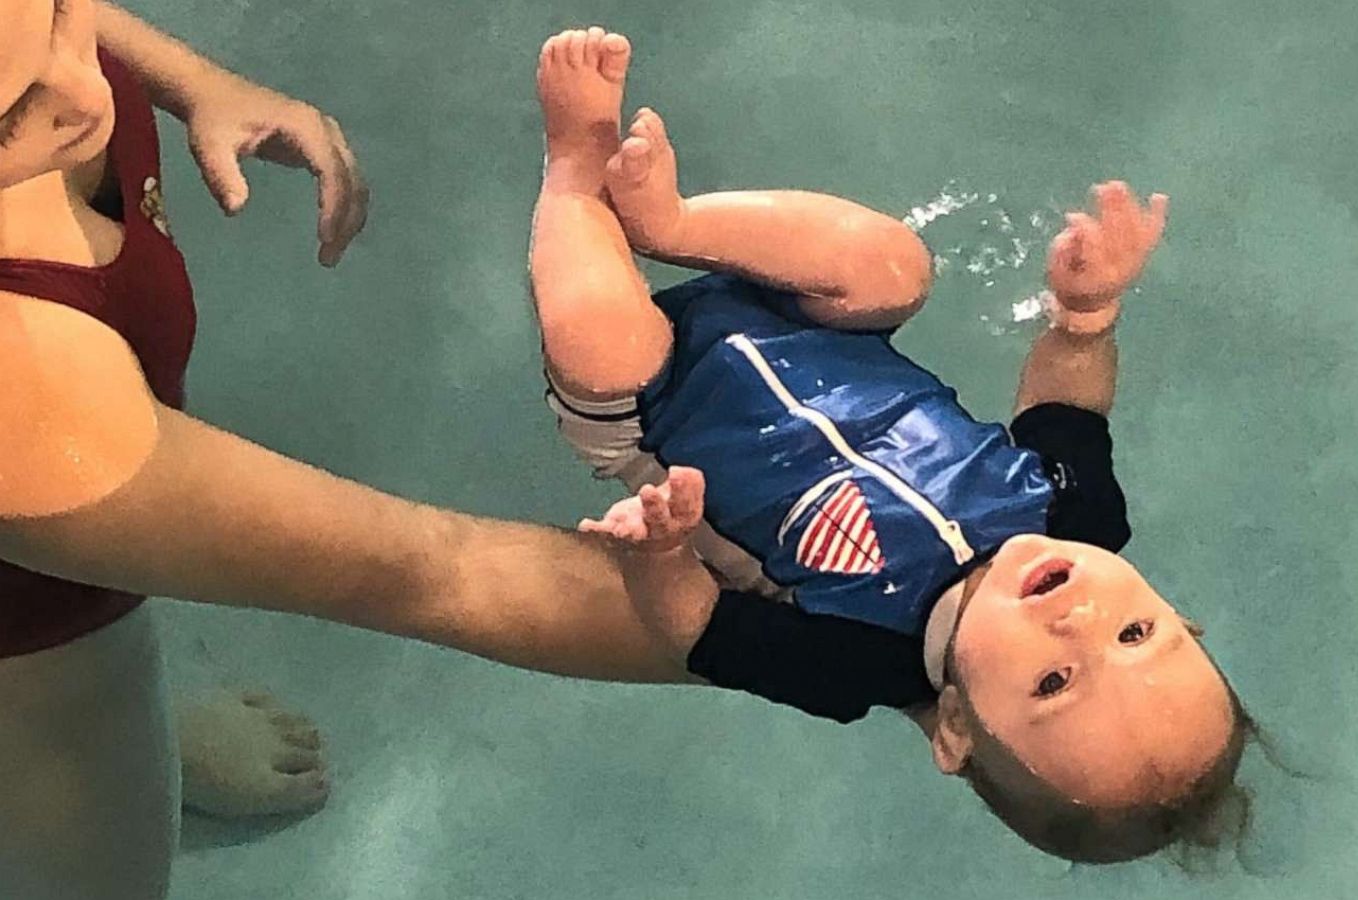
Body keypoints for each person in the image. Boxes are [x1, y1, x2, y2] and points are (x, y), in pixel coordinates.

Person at [0, 6, 692, 898]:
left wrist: (196, 82)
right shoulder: (27, 400)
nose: (89, 86)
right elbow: (437, 574)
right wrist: (863, 628)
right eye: (13, 116)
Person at [528, 27, 1257, 864]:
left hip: (655, 402)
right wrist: (1086, 319)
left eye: (1052, 682)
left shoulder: (855, 663)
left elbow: (694, 629)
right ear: (1182, 618)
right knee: (895, 265)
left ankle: (575, 166)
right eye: (1135, 633)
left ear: (954, 729)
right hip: (811, 326)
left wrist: (660, 555)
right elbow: (1065, 406)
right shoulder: (1077, 513)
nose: (1078, 619)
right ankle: (671, 223)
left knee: (595, 337)